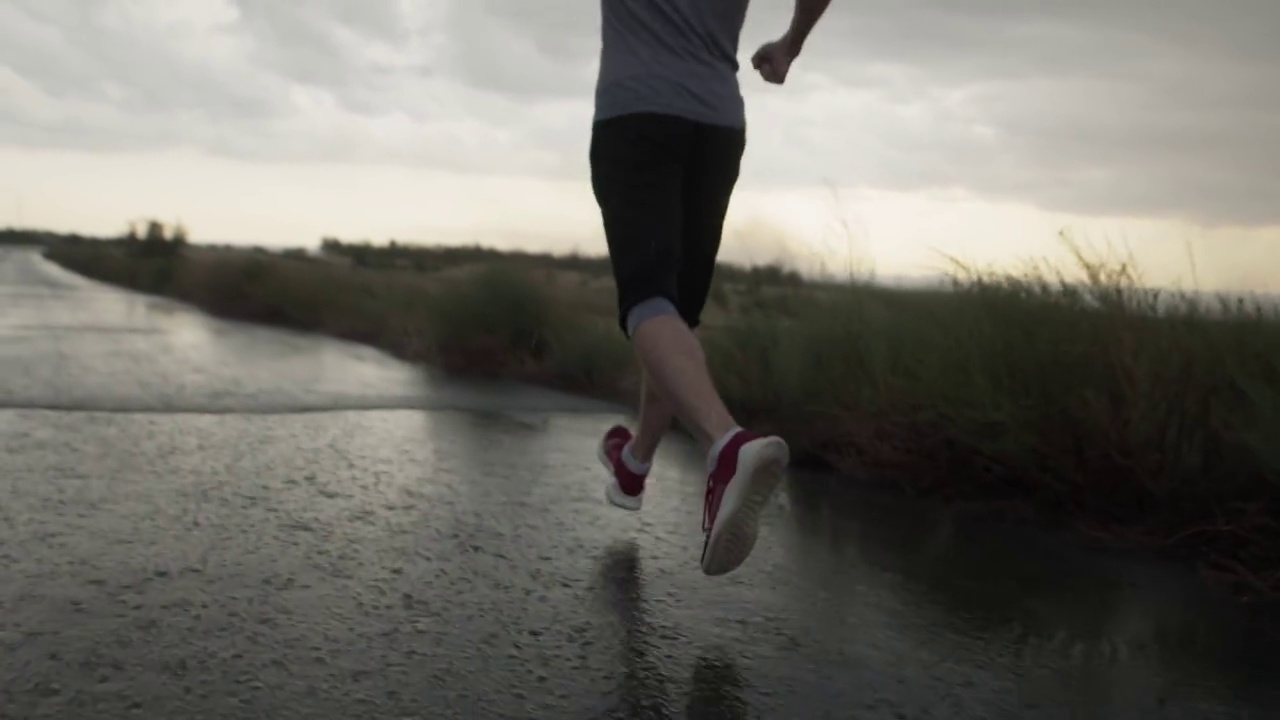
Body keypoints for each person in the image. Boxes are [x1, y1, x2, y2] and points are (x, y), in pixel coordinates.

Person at [589, 0, 832, 576]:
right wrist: (790, 45)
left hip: (637, 112)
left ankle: (727, 447)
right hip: (717, 127)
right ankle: (635, 462)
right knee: (675, 315)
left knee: (646, 299)